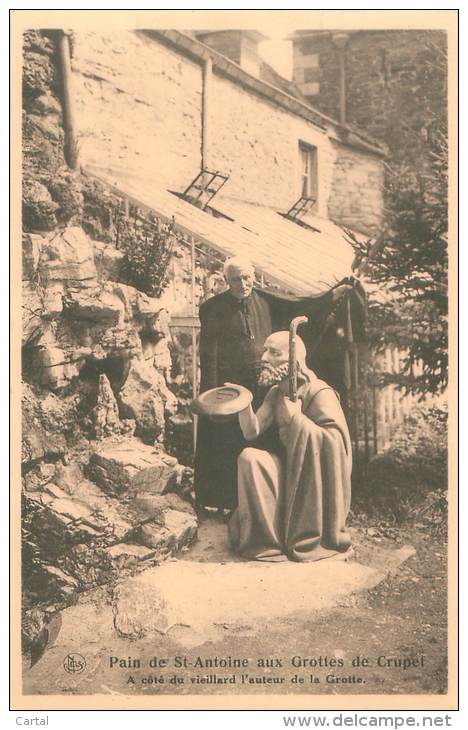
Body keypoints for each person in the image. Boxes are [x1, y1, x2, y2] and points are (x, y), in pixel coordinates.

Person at [194, 255, 359, 513]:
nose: (243, 284)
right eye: (236, 279)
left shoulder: (264, 299)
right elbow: (209, 355)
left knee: (254, 440)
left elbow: (301, 305)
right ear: (226, 280)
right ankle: (222, 503)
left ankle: (253, 504)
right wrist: (213, 396)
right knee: (223, 442)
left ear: (253, 276)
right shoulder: (213, 308)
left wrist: (332, 296)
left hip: (261, 386)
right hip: (229, 388)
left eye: (247, 277)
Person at [228, 330, 352, 562]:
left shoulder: (319, 392)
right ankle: (266, 543)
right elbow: (251, 431)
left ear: (293, 360)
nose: (264, 358)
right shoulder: (277, 392)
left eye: (274, 353)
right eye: (265, 350)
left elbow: (337, 444)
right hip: (287, 467)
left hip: (312, 479)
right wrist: (243, 402)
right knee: (250, 458)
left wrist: (297, 420)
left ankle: (299, 536)